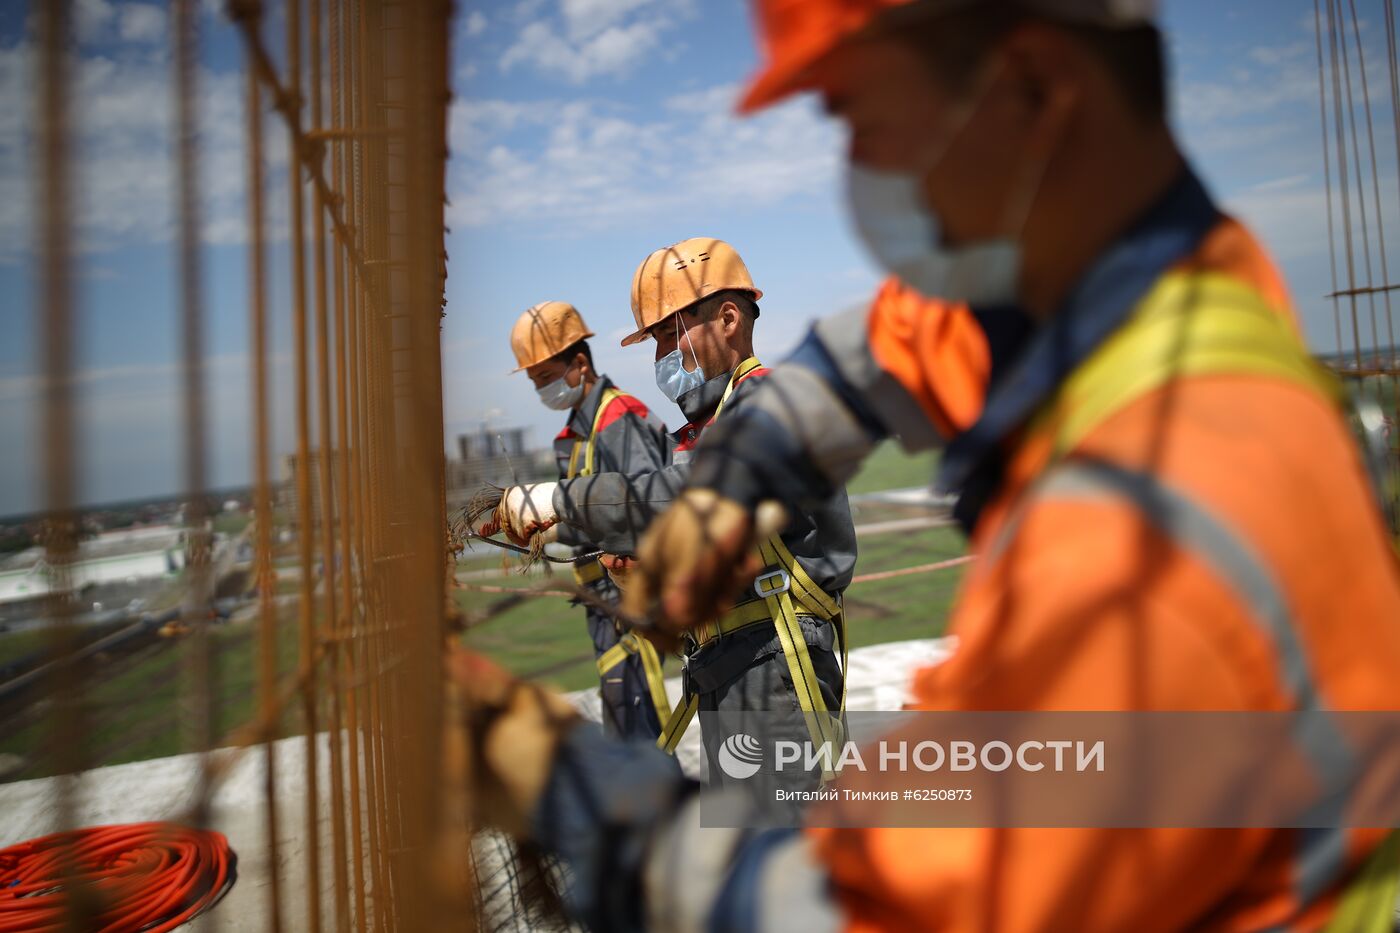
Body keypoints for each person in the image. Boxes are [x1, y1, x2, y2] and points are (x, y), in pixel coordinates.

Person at [460, 2, 1400, 931]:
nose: (861, 173)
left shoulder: (1148, 534)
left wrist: (573, 793)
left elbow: (858, 907)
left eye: (867, 124)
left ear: (1032, 88)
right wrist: (741, 479)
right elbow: (883, 346)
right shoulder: (1101, 285)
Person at [492, 238, 855, 791]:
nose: (661, 355)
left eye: (669, 333)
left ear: (728, 319)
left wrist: (559, 503)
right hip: (729, 668)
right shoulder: (717, 426)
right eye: (654, 340)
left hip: (777, 667)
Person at [502, 300, 671, 740]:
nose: (542, 390)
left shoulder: (618, 420)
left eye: (546, 377)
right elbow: (591, 509)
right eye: (536, 381)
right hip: (602, 600)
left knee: (639, 726)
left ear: (579, 363)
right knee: (625, 722)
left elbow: (647, 507)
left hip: (633, 604)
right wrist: (550, 528)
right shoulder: (578, 430)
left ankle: (653, 803)